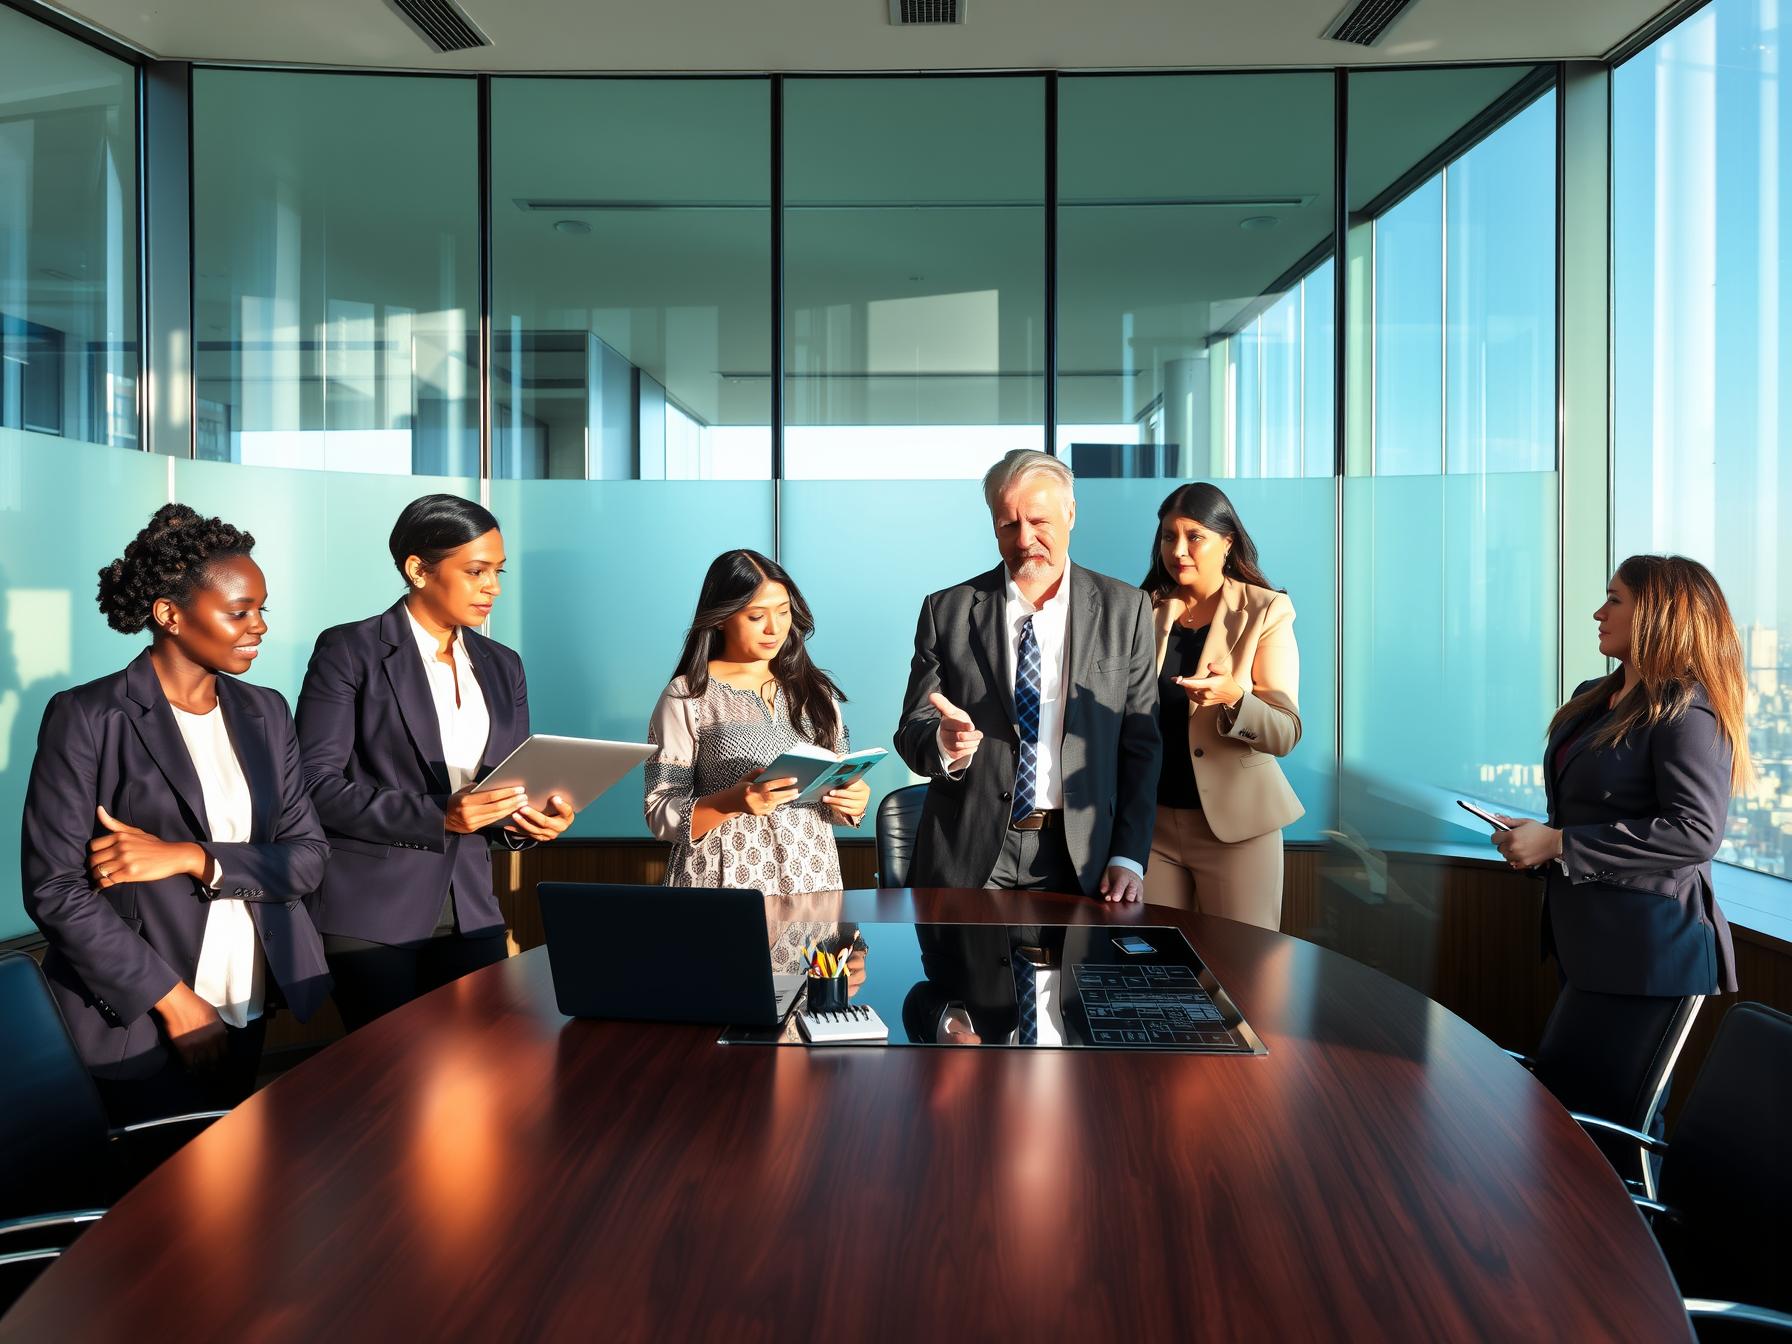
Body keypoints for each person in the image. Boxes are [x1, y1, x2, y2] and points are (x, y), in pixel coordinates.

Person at [22, 504, 330, 1123]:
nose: (260, 626)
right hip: (133, 1020)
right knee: (147, 1206)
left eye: (262, 609)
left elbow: (307, 858)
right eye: (240, 611)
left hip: (245, 998)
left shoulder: (266, 713)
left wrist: (192, 858)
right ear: (169, 615)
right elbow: (54, 890)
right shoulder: (87, 716)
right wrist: (174, 1002)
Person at [1492, 555, 1747, 1173]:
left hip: (1649, 954)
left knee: (1612, 1130)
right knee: (1568, 1116)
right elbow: (1586, 805)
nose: (1598, 613)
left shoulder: (1686, 711)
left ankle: (1638, 1262)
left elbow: (1694, 833)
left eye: (1614, 600)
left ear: (1658, 615)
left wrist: (1560, 846)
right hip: (1589, 943)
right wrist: (1544, 835)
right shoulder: (1596, 697)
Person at [296, 495, 575, 1030]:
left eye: (498, 571)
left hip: (473, 910)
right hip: (371, 913)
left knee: (483, 1074)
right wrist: (438, 814)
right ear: (418, 570)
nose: (492, 585)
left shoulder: (502, 665)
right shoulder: (349, 650)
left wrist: (531, 822)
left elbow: (502, 785)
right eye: (475, 571)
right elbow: (313, 784)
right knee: (391, 1088)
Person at [893, 449, 1160, 901]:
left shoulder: (1126, 610)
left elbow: (1141, 747)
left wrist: (1128, 855)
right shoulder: (948, 611)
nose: (1024, 539)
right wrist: (943, 744)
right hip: (968, 854)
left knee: (1078, 973)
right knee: (964, 974)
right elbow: (911, 731)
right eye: (1008, 525)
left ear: (1070, 513)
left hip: (1085, 856)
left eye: (1039, 522)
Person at [645, 550, 869, 897]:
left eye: (783, 612)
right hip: (723, 887)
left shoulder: (816, 691)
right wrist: (732, 801)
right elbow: (660, 812)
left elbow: (838, 785)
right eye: (755, 616)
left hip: (815, 880)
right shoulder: (687, 694)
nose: (774, 628)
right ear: (720, 618)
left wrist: (853, 802)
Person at [1139, 483, 1303, 930]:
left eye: (1195, 536)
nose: (1178, 549)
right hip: (1151, 827)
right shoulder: (1144, 611)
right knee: (1156, 971)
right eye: (1168, 536)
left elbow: (1286, 731)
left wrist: (1234, 698)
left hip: (1237, 829)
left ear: (1227, 541)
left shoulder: (1265, 610)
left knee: (1243, 973)